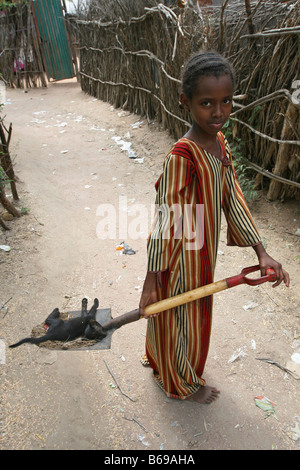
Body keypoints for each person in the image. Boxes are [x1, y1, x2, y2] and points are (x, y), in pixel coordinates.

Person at [139, 51, 290, 404]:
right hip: (179, 257)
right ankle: (180, 384)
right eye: (207, 103)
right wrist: (151, 279)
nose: (218, 112)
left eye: (226, 101)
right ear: (185, 102)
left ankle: (164, 361)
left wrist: (261, 251)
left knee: (183, 315)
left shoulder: (218, 143)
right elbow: (166, 220)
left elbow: (232, 199)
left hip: (204, 254)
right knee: (183, 318)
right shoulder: (183, 155)